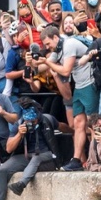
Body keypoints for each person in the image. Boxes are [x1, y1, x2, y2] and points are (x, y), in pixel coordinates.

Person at [0, 98, 59, 200]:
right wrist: (20, 134)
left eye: (33, 121)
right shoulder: (19, 124)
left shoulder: (47, 119)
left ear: (38, 117)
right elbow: (9, 148)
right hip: (27, 155)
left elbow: (63, 127)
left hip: (47, 157)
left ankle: (21, 184)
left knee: (36, 158)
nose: (30, 123)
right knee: (3, 169)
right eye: (28, 121)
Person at [40, 24, 94, 171]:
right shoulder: (58, 48)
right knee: (78, 124)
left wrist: (47, 62)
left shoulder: (69, 44)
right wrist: (34, 62)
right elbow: (41, 68)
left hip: (89, 84)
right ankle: (76, 160)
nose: (48, 47)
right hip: (79, 87)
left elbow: (65, 71)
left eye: (48, 44)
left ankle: (96, 158)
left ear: (55, 37)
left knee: (92, 123)